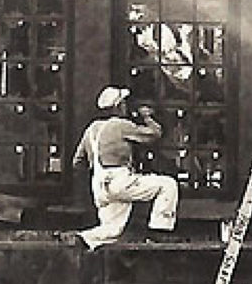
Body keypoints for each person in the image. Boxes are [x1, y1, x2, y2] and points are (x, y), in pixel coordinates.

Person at [75, 86, 179, 248]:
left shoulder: (92, 129)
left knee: (111, 231)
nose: (125, 106)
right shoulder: (120, 125)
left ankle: (81, 239)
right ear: (117, 106)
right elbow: (154, 134)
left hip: (100, 186)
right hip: (119, 180)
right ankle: (160, 232)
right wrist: (147, 116)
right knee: (168, 184)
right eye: (123, 103)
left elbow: (78, 161)